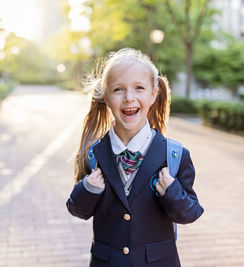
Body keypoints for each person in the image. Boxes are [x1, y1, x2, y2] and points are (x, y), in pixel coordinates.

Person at [66, 48, 204, 267]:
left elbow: (191, 212)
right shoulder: (94, 155)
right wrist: (88, 189)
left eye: (139, 88)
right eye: (118, 90)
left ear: (153, 93)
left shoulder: (174, 155)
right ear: (106, 97)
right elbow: (77, 209)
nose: (129, 98)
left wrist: (171, 192)